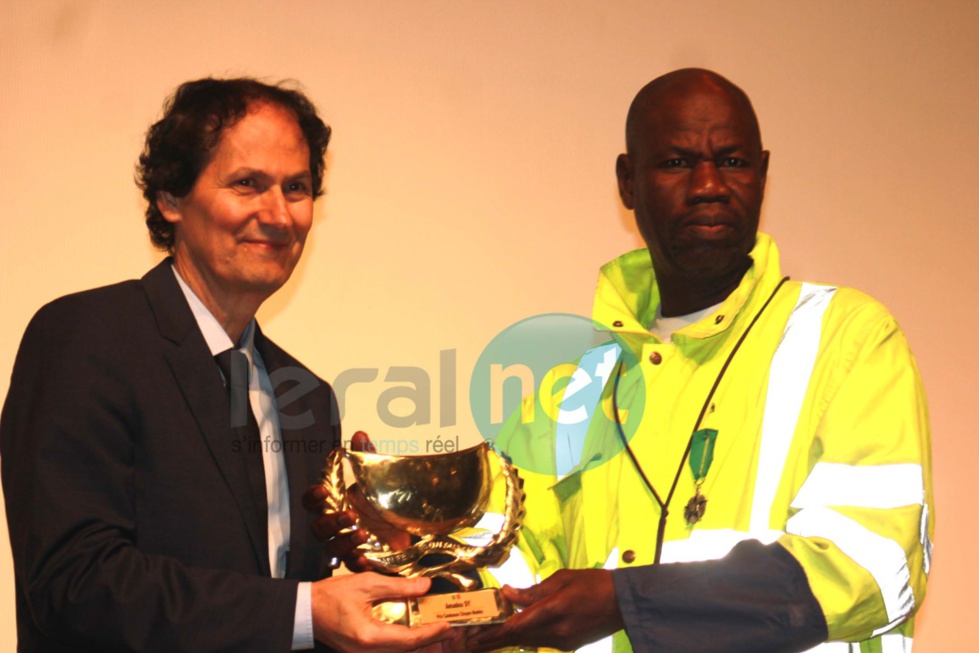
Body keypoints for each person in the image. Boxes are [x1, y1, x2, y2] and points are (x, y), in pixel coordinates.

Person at [463, 69, 934, 652]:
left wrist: (626, 599)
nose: (709, 184)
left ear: (762, 175)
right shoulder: (573, 392)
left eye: (732, 162)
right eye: (677, 163)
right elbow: (500, 570)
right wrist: (423, 570)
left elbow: (871, 564)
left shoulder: (849, 338)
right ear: (628, 182)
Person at [1, 77, 453, 653]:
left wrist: (411, 571)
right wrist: (309, 612)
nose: (278, 214)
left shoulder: (308, 399)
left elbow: (284, 617)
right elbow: (75, 584)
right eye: (247, 184)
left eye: (297, 187)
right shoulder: (85, 338)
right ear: (170, 197)